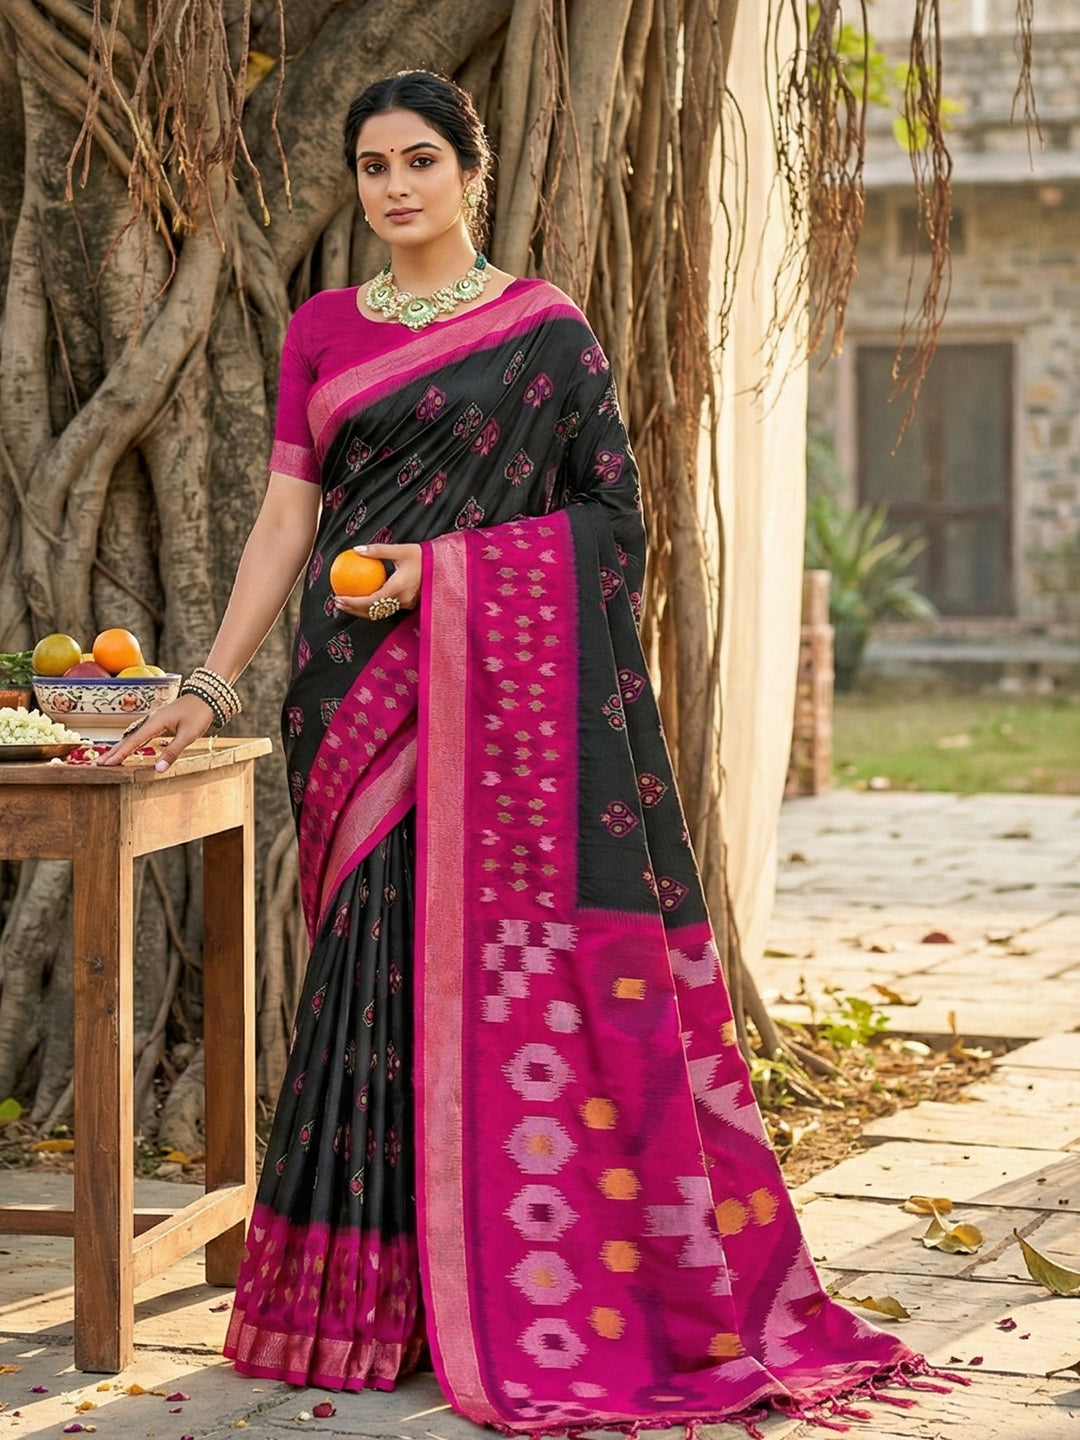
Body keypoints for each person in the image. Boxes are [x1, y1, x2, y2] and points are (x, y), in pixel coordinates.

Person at [106, 69, 934, 1435]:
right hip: (351, 696)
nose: (395, 187)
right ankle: (358, 1307)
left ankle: (497, 1291)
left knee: (476, 979)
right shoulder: (321, 328)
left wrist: (440, 577)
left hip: (491, 697)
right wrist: (207, 682)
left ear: (471, 171)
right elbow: (284, 522)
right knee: (366, 975)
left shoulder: (546, 331)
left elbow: (614, 523)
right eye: (373, 166)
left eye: (420, 160)